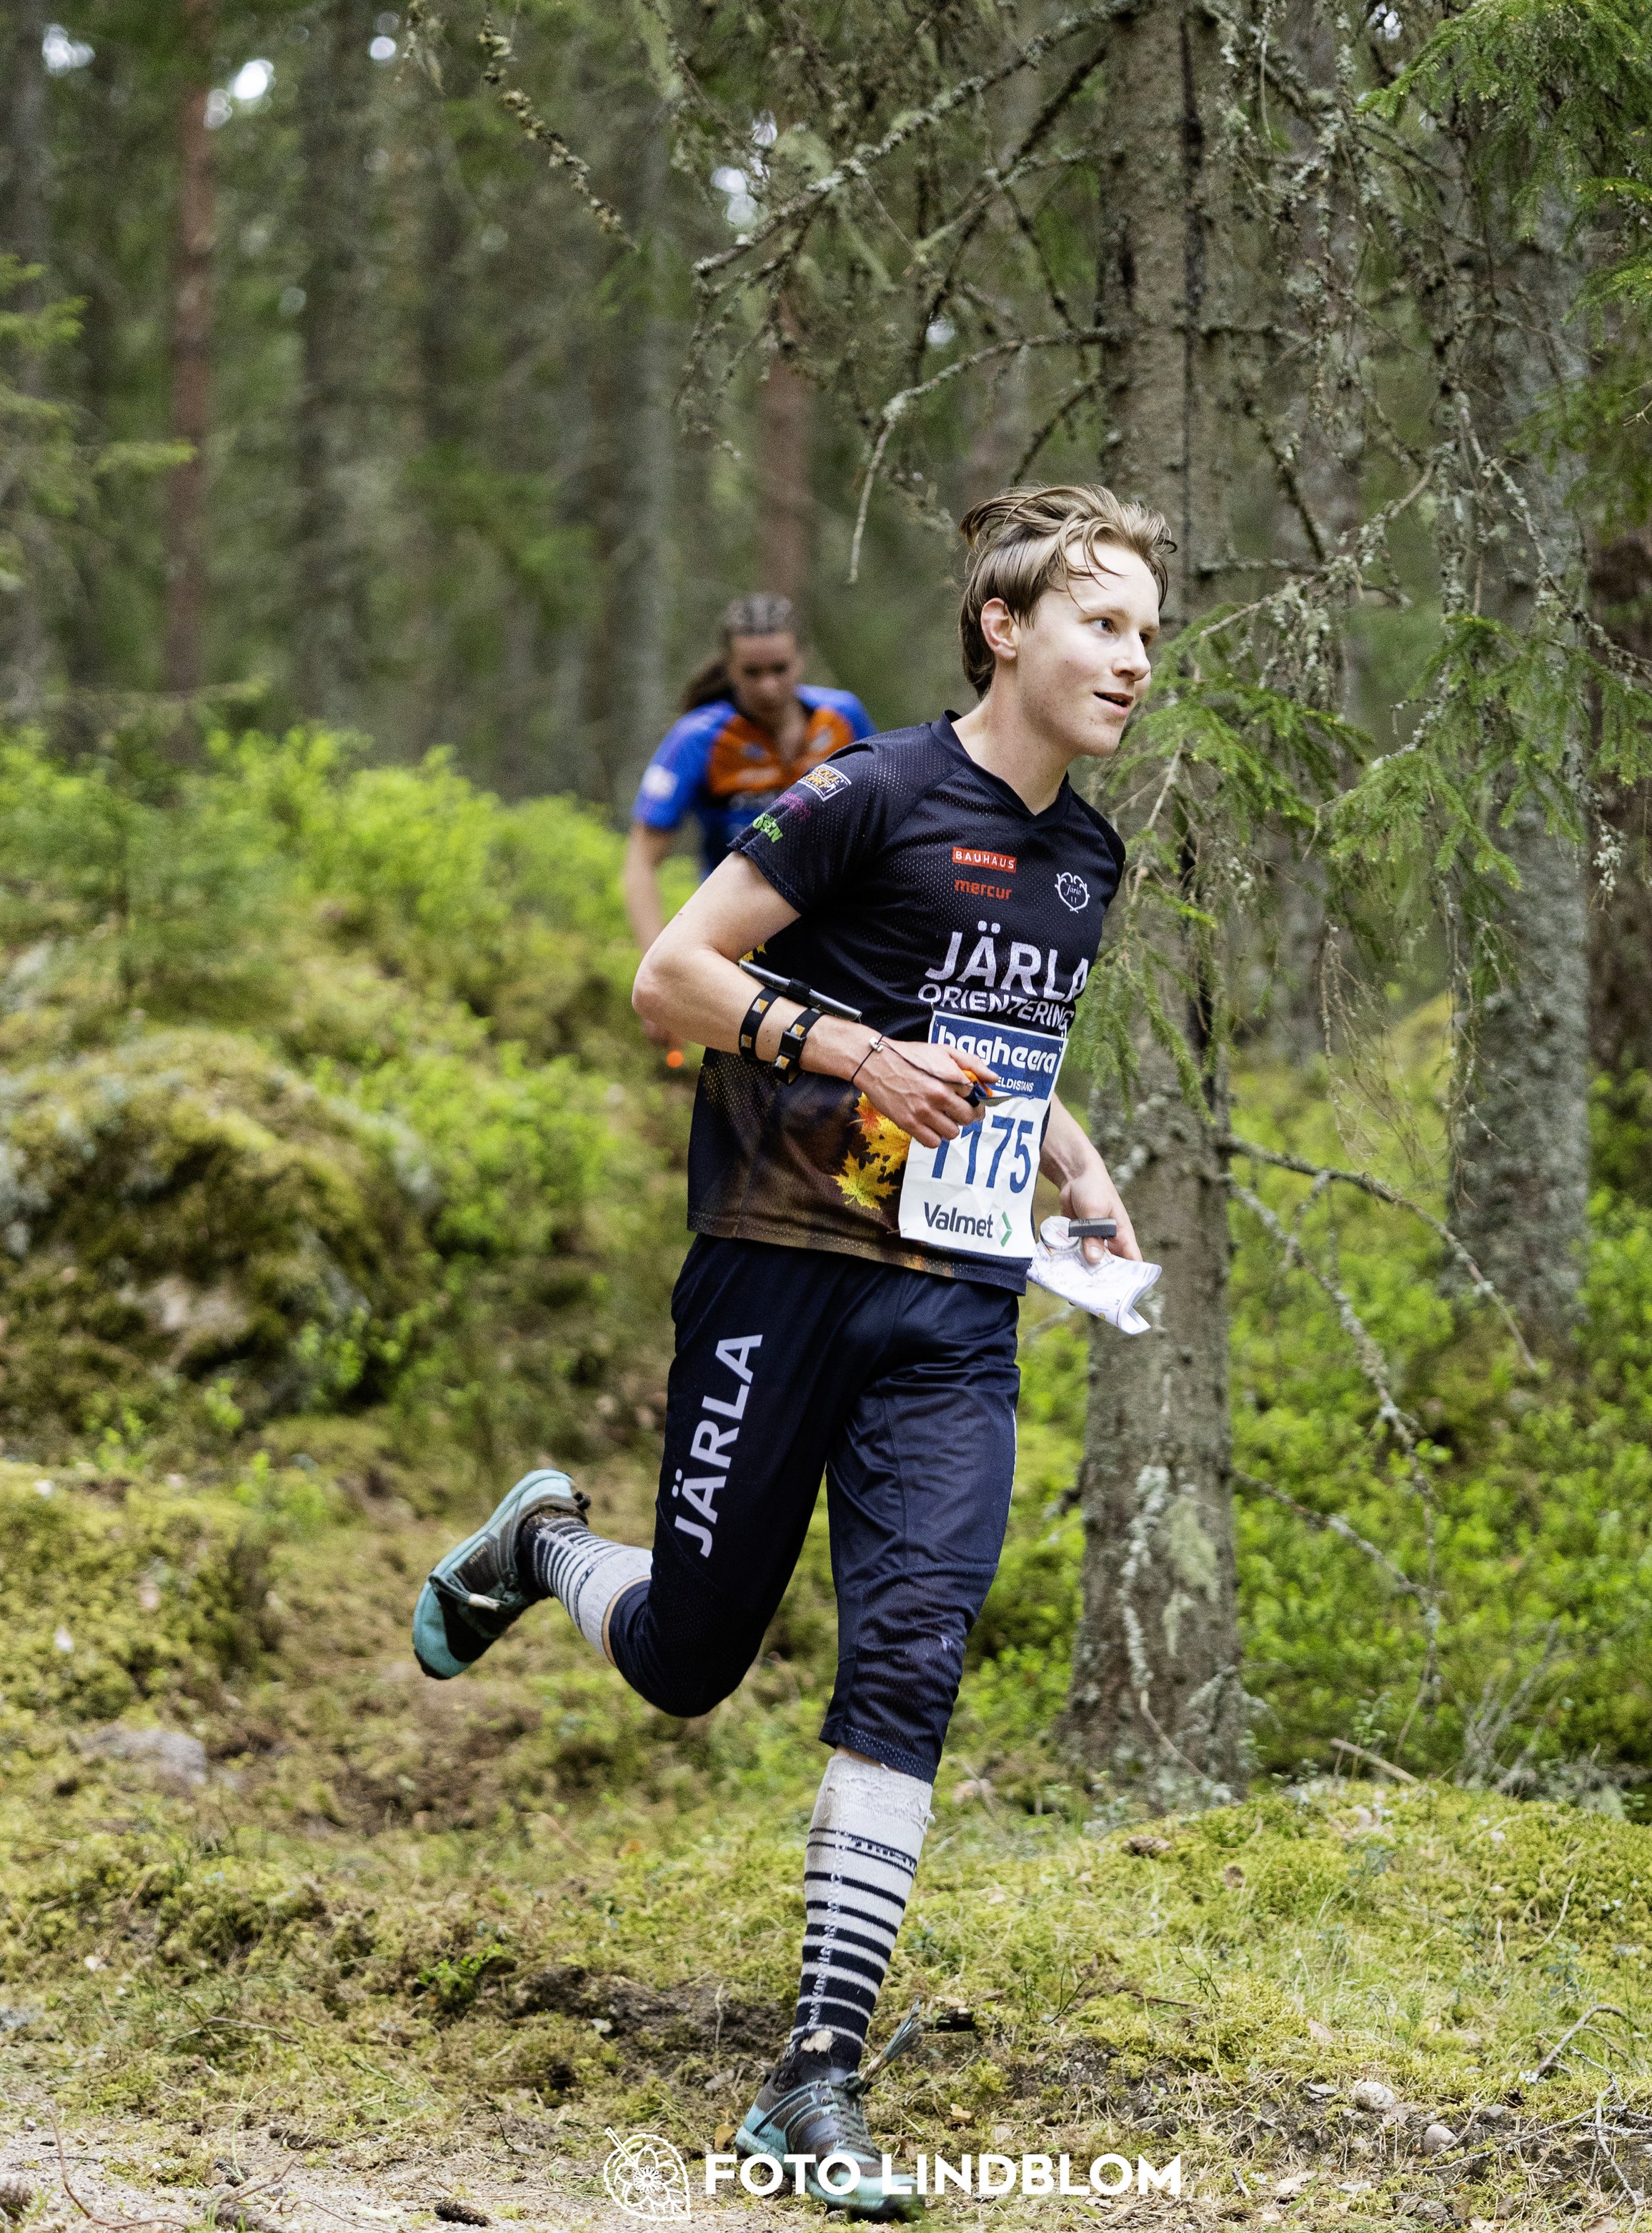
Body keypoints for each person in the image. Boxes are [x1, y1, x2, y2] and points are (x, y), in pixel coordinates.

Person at [413, 485, 1168, 2219]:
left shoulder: (1089, 858)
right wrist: (848, 1055)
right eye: (1103, 623)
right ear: (1006, 625)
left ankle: (814, 2072)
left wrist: (1077, 1166)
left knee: (911, 1653)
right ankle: (543, 1540)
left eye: (1145, 633)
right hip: (777, 1269)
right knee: (688, 1654)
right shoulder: (867, 791)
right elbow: (670, 978)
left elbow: (997, 1041)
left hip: (956, 1312)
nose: (1134, 660)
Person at [622, 592, 875, 987]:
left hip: (837, 930)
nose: (769, 686)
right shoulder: (698, 738)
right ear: (729, 668)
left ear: (802, 657)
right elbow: (641, 862)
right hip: (737, 934)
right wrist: (657, 972)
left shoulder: (843, 717)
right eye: (752, 673)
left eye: (780, 668)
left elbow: (885, 823)